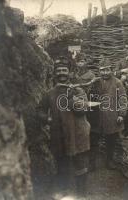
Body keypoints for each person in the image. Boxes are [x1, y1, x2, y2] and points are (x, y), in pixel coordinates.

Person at [37, 63, 90, 197]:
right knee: (62, 164)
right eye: (59, 71)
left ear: (69, 73)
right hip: (59, 134)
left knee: (80, 165)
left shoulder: (78, 91)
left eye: (64, 70)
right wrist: (48, 119)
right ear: (55, 74)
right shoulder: (49, 93)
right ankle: (64, 192)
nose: (61, 73)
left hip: (78, 133)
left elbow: (82, 109)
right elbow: (40, 111)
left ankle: (82, 194)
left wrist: (71, 96)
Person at [89, 58, 127, 169]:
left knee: (111, 140)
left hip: (112, 115)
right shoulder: (95, 82)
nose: (105, 73)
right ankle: (92, 163)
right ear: (99, 71)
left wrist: (121, 114)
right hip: (97, 116)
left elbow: (123, 98)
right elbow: (88, 95)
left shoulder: (117, 82)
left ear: (111, 70)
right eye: (102, 70)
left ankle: (109, 161)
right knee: (94, 140)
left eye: (107, 70)